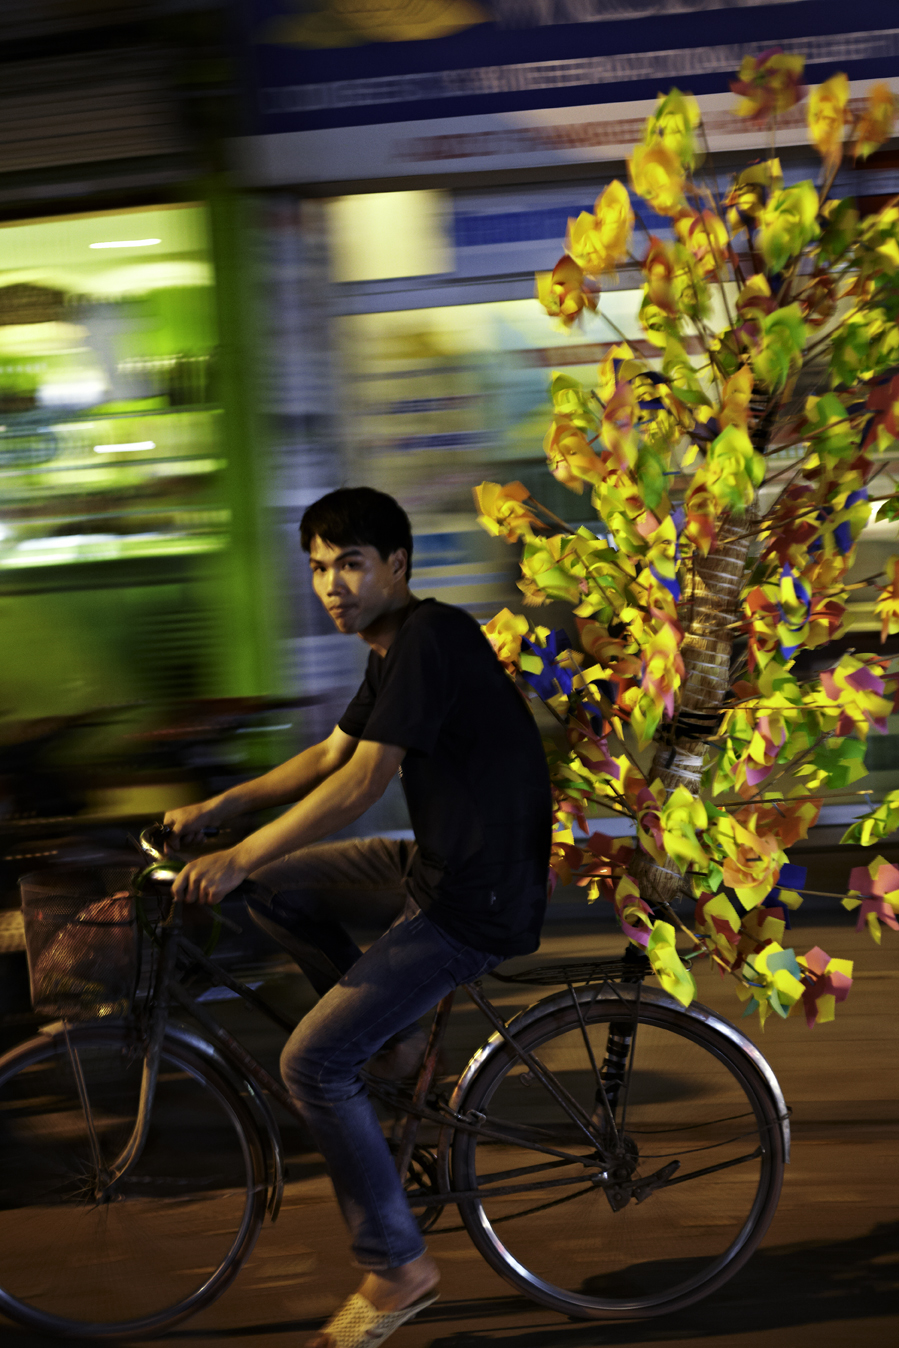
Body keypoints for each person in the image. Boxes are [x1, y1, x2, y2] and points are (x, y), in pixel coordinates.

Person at [164, 486, 552, 1348]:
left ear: (397, 567)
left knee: (310, 1062)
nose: (330, 584)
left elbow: (359, 785)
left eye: (349, 563)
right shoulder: (391, 649)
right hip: (435, 867)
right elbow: (329, 752)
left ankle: (397, 1266)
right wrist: (216, 809)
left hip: (474, 900)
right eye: (316, 567)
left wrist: (237, 854)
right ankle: (394, 1039)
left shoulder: (431, 638)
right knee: (283, 886)